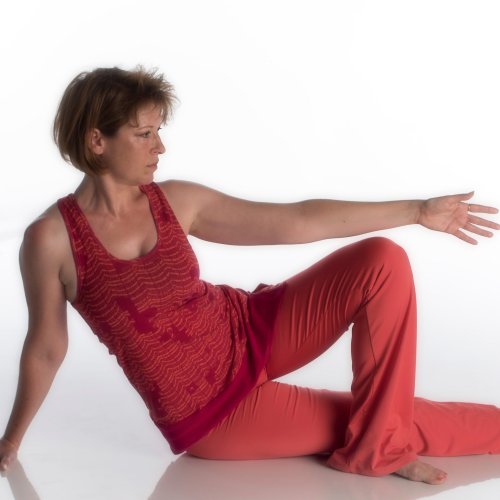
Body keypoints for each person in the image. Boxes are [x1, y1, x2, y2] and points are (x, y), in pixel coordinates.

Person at [1, 66, 499, 486]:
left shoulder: (175, 200)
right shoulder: (51, 240)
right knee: (392, 418)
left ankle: (382, 443)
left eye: (158, 131)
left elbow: (296, 221)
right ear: (97, 140)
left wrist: (417, 210)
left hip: (250, 327)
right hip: (216, 412)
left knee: (382, 260)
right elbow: (46, 347)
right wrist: (10, 441)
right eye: (145, 134)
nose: (161, 147)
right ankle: (386, 441)